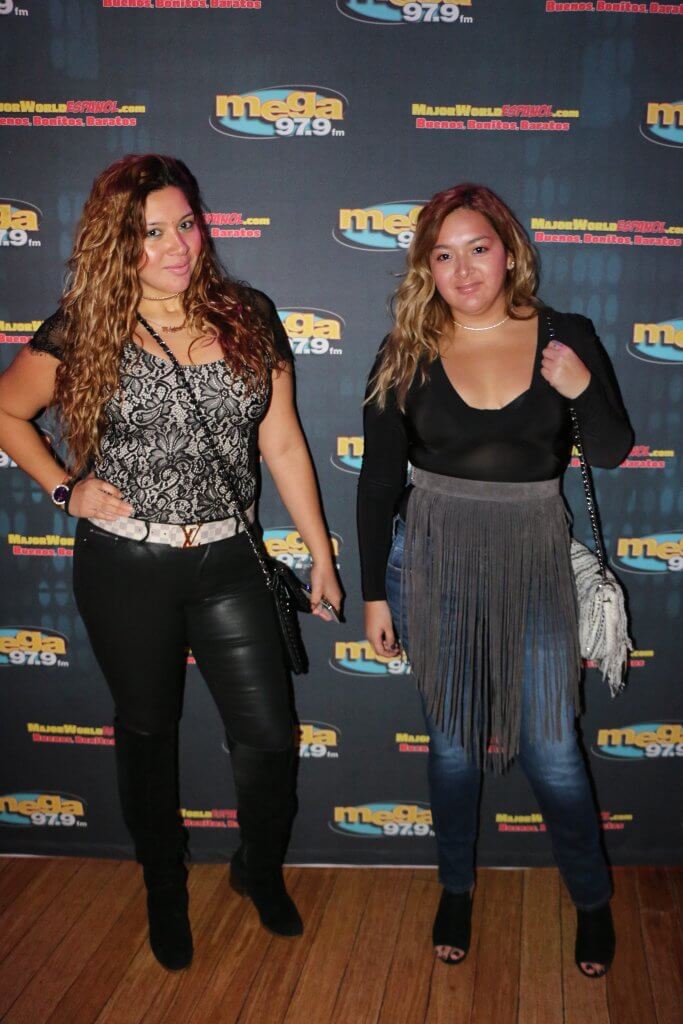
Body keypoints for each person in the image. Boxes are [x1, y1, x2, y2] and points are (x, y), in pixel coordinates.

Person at [0, 154, 342, 972]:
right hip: (127, 566)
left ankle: (256, 868)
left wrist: (320, 555)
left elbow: (282, 441)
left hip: (230, 559)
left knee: (268, 736)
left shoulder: (248, 315)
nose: (177, 245)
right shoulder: (85, 326)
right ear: (117, 243)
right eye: (151, 233)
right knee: (147, 732)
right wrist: (64, 489)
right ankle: (163, 885)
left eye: (185, 224)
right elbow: (8, 411)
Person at [357, 183, 632, 978]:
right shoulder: (405, 350)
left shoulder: (564, 336)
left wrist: (580, 388)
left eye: (477, 248)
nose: (463, 269)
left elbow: (611, 450)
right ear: (426, 268)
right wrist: (372, 593)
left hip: (532, 561)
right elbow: (378, 484)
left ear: (507, 251)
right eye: (442, 255)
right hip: (432, 562)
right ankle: (455, 887)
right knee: (450, 747)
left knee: (553, 749)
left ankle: (590, 898)